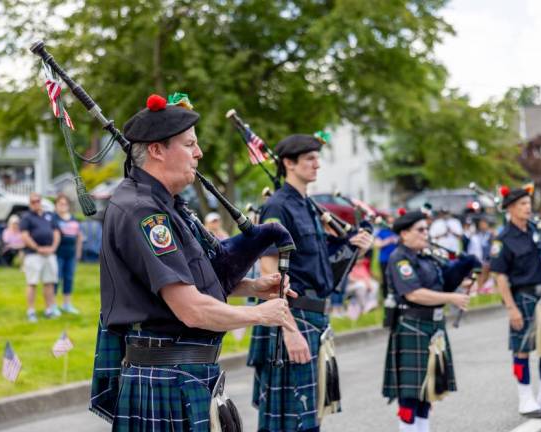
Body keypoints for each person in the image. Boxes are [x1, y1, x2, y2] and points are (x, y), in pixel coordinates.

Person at [91, 93, 296, 431]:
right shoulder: (144, 211)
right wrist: (260, 315)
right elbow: (190, 309)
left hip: (184, 377)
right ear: (157, 150)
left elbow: (182, 282)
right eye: (189, 145)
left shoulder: (167, 206)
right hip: (166, 379)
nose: (199, 153)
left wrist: (253, 287)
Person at [248, 133, 373, 432]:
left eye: (317, 158)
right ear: (289, 163)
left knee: (310, 418)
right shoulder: (277, 208)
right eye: (310, 159)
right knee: (288, 424)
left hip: (315, 316)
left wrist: (353, 246)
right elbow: (268, 273)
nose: (318, 164)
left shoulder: (309, 207)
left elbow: (319, 265)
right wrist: (289, 331)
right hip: (294, 317)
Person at [382, 210, 472, 432]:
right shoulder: (399, 258)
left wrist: (462, 279)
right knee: (410, 394)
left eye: (426, 229)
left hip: (433, 327)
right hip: (412, 326)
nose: (425, 234)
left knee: (426, 391)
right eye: (420, 230)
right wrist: (452, 298)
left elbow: (443, 284)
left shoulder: (427, 256)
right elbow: (414, 293)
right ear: (404, 234)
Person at [490, 187, 541, 419]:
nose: (528, 207)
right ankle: (526, 399)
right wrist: (510, 307)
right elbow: (500, 276)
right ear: (511, 208)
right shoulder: (503, 240)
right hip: (522, 298)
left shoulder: (537, 231)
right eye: (523, 204)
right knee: (522, 350)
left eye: (528, 203)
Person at [20, 192, 60, 322]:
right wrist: (37, 248)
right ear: (30, 203)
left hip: (50, 253)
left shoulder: (49, 216)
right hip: (34, 254)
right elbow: (25, 236)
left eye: (38, 201)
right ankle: (31, 311)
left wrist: (53, 248)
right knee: (32, 283)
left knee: (49, 283)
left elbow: (56, 232)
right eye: (33, 201)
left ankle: (49, 309)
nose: (36, 203)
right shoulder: (26, 217)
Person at [54, 194, 83, 314]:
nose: (63, 206)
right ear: (56, 205)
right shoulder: (54, 219)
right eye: (60, 204)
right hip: (57, 254)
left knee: (69, 278)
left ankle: (67, 304)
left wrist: (78, 252)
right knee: (56, 278)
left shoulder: (74, 219)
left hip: (70, 254)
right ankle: (53, 305)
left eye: (65, 204)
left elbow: (79, 237)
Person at [375, 214, 399, 299]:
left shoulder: (397, 231)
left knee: (396, 279)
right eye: (390, 217)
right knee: (385, 279)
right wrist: (388, 240)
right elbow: (377, 245)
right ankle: (385, 297)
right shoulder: (381, 232)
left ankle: (396, 296)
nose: (391, 219)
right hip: (384, 259)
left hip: (396, 259)